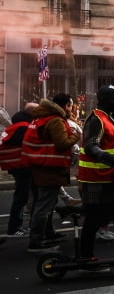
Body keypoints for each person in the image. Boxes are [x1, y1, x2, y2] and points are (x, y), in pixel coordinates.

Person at [78, 85, 114, 260]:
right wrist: (112, 160)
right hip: (97, 180)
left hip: (113, 178)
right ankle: (85, 256)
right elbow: (91, 146)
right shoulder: (97, 119)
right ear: (107, 100)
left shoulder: (110, 118)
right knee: (95, 219)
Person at [22, 94, 80, 252]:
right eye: (70, 106)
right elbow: (62, 144)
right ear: (65, 105)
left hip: (42, 166)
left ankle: (48, 234)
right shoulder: (55, 120)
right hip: (49, 169)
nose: (71, 109)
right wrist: (76, 136)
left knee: (47, 203)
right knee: (44, 206)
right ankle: (36, 242)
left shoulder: (42, 117)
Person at [0, 107, 37, 236]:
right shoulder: (24, 128)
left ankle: (16, 226)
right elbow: (28, 146)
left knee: (22, 196)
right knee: (21, 197)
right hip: (23, 167)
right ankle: (14, 228)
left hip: (17, 166)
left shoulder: (16, 126)